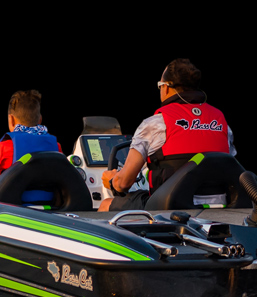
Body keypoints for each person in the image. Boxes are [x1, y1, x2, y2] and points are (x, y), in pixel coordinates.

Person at [99, 58, 236, 211]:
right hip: (219, 208)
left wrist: (112, 180)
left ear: (166, 88)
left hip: (169, 208)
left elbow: (124, 183)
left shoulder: (155, 124)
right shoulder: (222, 123)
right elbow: (230, 167)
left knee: (105, 204)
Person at [0, 90, 62, 188]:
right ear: (40, 120)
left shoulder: (1, 149)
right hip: (48, 197)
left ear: (11, 119)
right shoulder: (56, 147)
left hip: (12, 197)